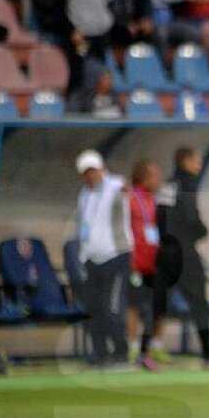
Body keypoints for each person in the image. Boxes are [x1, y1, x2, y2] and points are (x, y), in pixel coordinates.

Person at [156, 146, 209, 369]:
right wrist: (201, 231)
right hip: (185, 252)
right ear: (186, 161)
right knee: (199, 303)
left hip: (164, 250)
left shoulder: (167, 185)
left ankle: (145, 350)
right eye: (196, 160)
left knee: (158, 303)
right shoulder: (187, 184)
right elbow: (191, 217)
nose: (198, 165)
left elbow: (159, 214)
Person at [74, 149, 132, 369]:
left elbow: (125, 189)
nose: (90, 176)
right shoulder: (84, 194)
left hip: (116, 256)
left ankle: (121, 352)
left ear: (101, 170)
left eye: (93, 171)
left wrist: (127, 189)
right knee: (92, 308)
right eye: (86, 173)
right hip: (92, 259)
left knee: (112, 307)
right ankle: (99, 352)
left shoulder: (114, 186)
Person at [126, 159, 166, 371]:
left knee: (155, 306)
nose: (157, 180)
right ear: (142, 177)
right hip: (134, 261)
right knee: (134, 304)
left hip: (152, 262)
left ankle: (148, 348)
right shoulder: (131, 198)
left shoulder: (153, 199)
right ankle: (133, 347)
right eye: (154, 176)